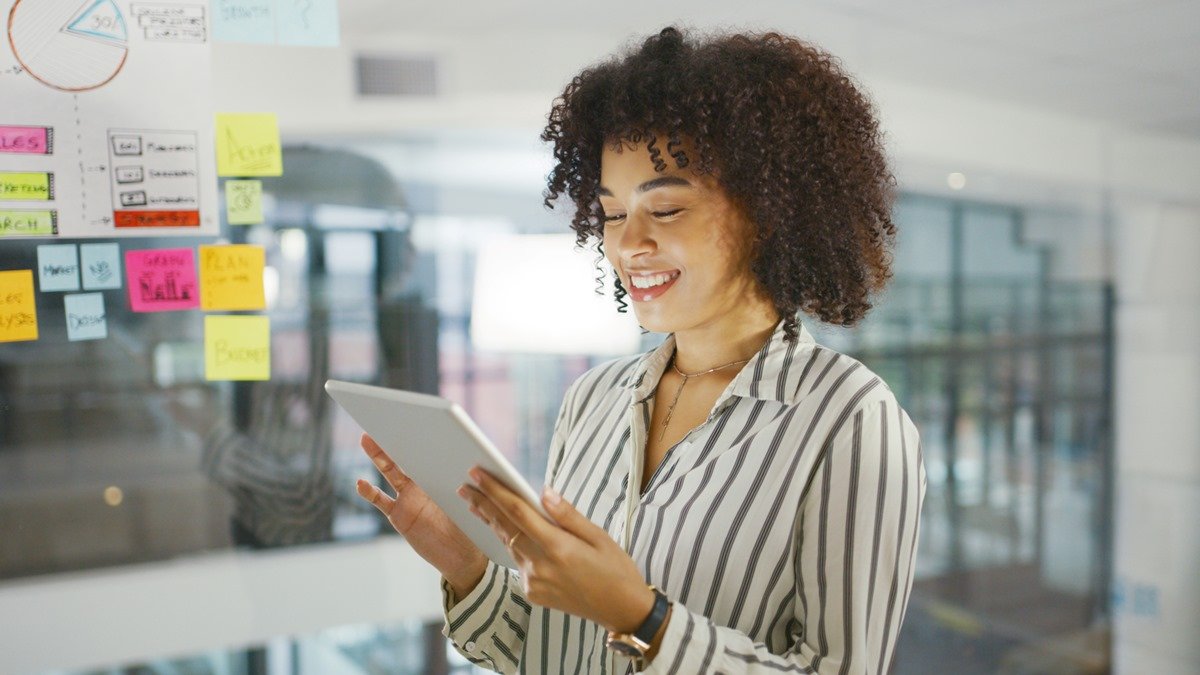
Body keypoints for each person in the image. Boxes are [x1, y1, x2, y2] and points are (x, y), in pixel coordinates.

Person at [356, 26, 926, 674]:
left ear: (769, 212)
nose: (628, 245)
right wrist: (464, 563)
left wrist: (642, 617)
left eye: (667, 209)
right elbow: (550, 650)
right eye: (611, 213)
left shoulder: (851, 420)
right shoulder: (594, 399)